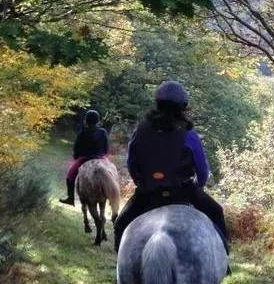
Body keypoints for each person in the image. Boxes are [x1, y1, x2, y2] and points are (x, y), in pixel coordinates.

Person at [113, 81, 229, 255]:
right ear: (183, 107)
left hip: (148, 193)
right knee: (217, 212)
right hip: (183, 191)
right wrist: (199, 185)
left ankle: (119, 277)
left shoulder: (142, 130)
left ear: (157, 103)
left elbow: (132, 161)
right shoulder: (188, 134)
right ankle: (224, 256)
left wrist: (141, 181)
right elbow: (202, 169)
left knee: (121, 223)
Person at [59, 110, 109, 205]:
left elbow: (76, 149)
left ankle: (70, 198)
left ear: (86, 120)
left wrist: (76, 156)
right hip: (101, 158)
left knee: (70, 175)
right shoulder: (103, 132)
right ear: (98, 121)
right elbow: (106, 149)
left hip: (85, 159)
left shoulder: (83, 133)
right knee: (111, 172)